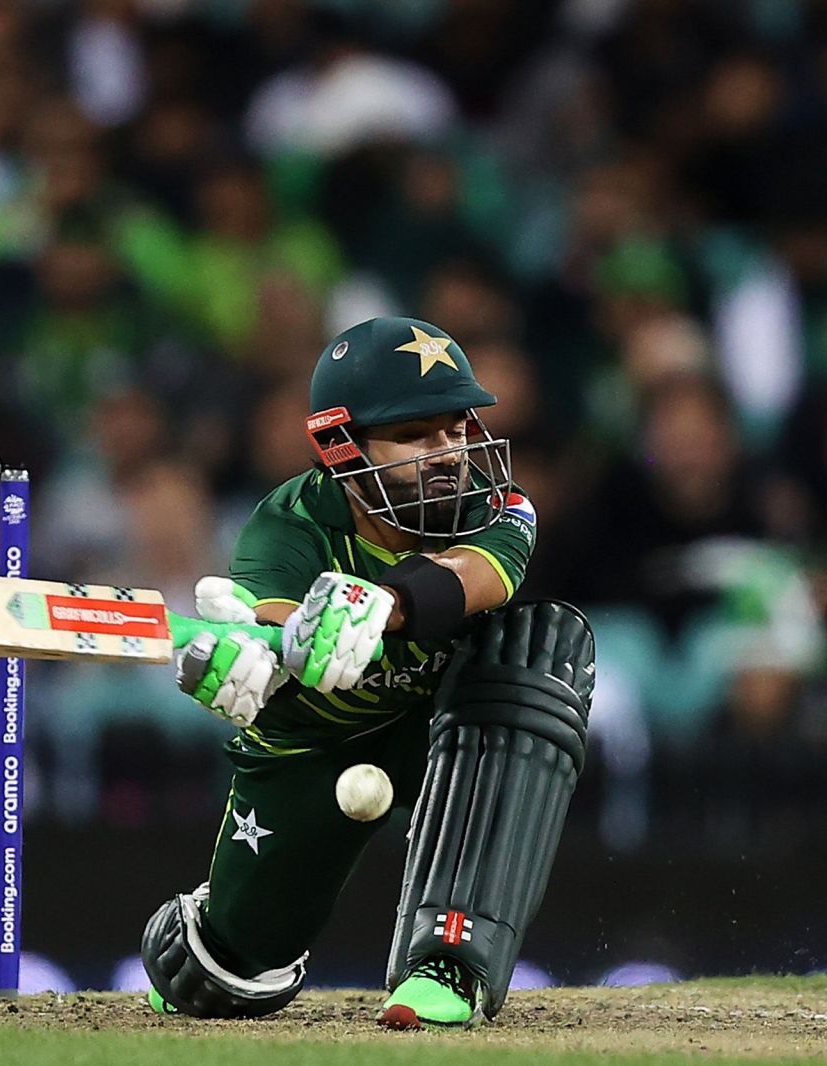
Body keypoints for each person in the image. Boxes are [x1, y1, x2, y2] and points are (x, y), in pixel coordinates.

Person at [145, 317, 594, 1027]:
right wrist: (253, 657)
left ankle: (450, 962)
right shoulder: (289, 526)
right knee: (216, 977)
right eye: (417, 437)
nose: (448, 453)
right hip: (316, 745)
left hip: (443, 730)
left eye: (455, 429)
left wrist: (383, 604)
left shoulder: (497, 504)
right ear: (341, 447)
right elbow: (273, 629)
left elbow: (479, 576)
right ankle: (224, 931)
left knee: (540, 644)